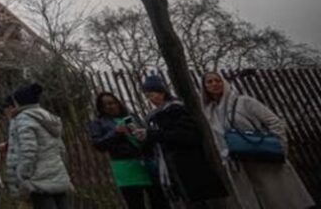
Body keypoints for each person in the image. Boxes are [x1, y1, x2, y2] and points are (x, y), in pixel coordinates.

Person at [201, 72, 314, 209]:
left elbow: (274, 122)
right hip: (239, 165)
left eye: (217, 80)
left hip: (264, 160)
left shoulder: (244, 102)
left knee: (280, 200)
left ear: (223, 82)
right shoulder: (209, 112)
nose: (214, 84)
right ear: (204, 87)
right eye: (209, 82)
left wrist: (278, 148)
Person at [137, 75, 226, 208]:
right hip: (171, 166)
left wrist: (153, 134)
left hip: (187, 164)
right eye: (148, 96)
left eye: (152, 94)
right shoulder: (153, 116)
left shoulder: (176, 109)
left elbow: (187, 135)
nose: (151, 99)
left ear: (162, 92)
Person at [88, 92, 165, 209]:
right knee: (135, 203)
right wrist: (116, 132)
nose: (109, 106)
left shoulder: (132, 117)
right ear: (101, 108)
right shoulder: (98, 123)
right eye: (104, 105)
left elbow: (148, 137)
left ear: (117, 103)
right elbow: (99, 144)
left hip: (146, 164)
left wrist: (144, 136)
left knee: (159, 200)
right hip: (125, 168)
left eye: (111, 103)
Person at [5, 83, 72, 209]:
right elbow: (61, 148)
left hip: (38, 179)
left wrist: (23, 174)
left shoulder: (23, 118)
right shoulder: (47, 117)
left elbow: (29, 150)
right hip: (57, 173)